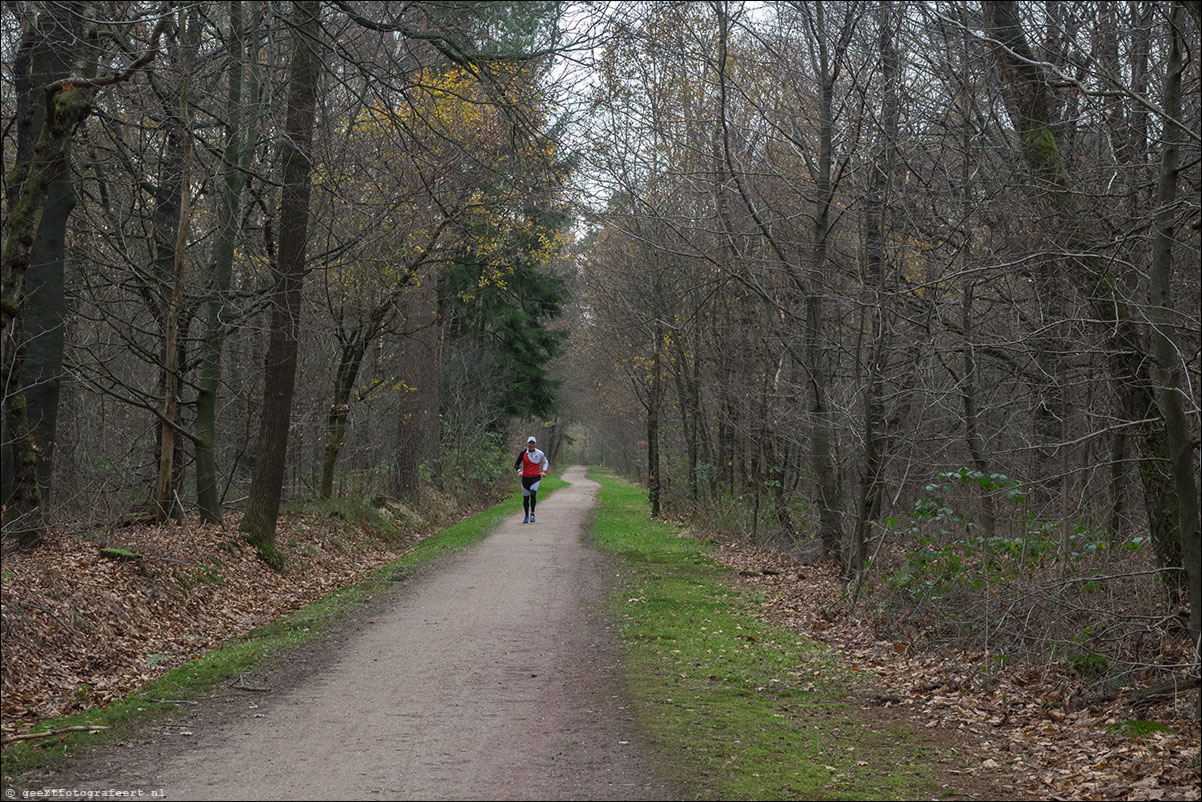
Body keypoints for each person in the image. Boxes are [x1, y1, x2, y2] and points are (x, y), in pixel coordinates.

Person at [514, 436, 549, 523]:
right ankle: (526, 515)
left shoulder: (540, 453)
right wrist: (519, 471)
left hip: (535, 478)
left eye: (533, 443)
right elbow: (516, 464)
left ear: (535, 444)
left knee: (533, 494)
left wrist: (544, 471)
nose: (531, 445)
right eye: (530, 443)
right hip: (525, 478)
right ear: (528, 443)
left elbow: (545, 462)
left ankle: (532, 513)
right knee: (526, 498)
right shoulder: (523, 453)